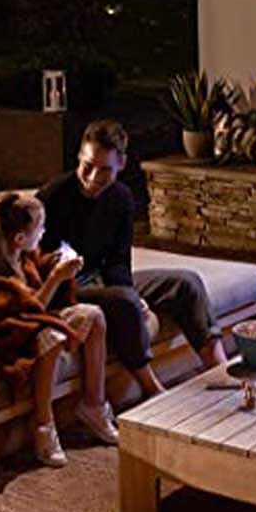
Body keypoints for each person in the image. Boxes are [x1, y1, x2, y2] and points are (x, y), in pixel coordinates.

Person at [38, 120, 226, 398]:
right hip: (63, 290)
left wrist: (127, 288)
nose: (91, 178)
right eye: (87, 166)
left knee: (186, 283)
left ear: (122, 164)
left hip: (100, 281)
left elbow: (118, 261)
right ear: (79, 157)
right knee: (124, 302)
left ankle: (220, 370)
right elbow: (37, 264)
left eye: (104, 170)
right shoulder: (53, 197)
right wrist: (126, 296)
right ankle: (153, 391)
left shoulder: (121, 198)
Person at [0, 192, 118, 468]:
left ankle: (93, 405)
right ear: (19, 239)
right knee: (52, 337)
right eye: (40, 228)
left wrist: (58, 264)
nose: (44, 232)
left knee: (93, 315)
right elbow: (23, 312)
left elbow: (34, 294)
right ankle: (43, 426)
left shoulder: (20, 256)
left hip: (28, 323)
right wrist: (56, 278)